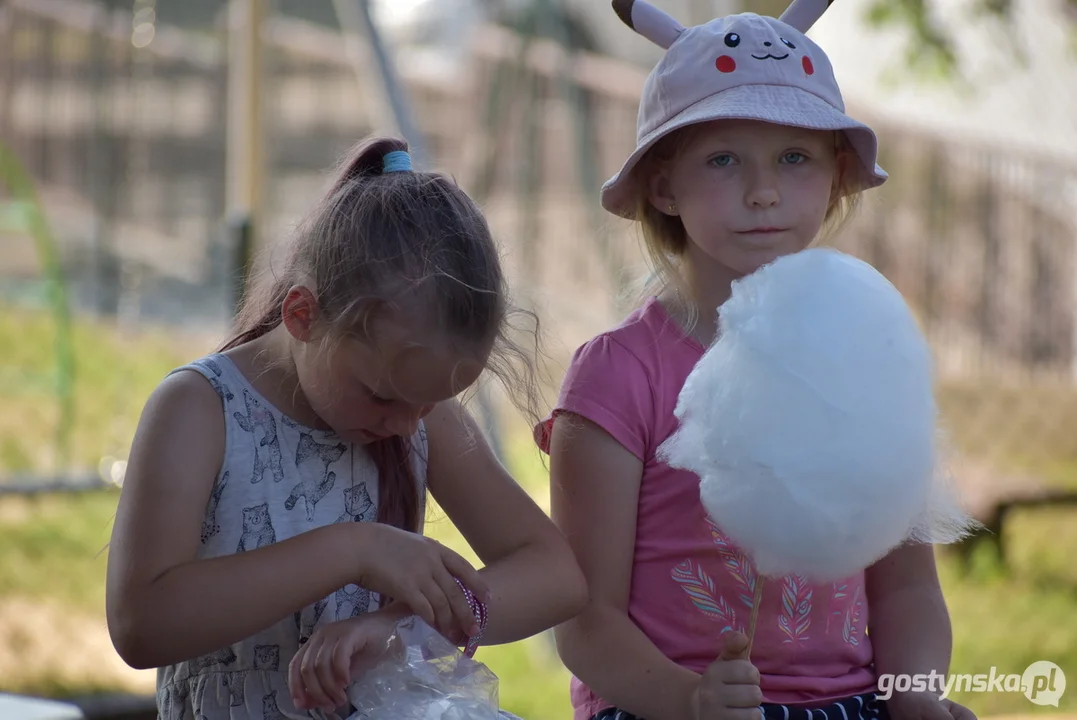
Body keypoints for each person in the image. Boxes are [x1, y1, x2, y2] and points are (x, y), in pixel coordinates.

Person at [536, 3, 978, 720]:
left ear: (836, 175)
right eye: (722, 159)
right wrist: (690, 699)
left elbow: (905, 588)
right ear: (662, 185)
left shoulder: (862, 354)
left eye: (793, 158)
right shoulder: (618, 377)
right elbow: (586, 621)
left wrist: (917, 695)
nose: (762, 191)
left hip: (850, 705)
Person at [106, 136, 587, 720]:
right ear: (303, 315)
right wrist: (354, 550)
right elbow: (141, 625)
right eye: (382, 396)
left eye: (432, 401)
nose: (406, 425)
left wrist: (400, 627)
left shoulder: (416, 411)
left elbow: (556, 576)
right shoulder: (199, 410)